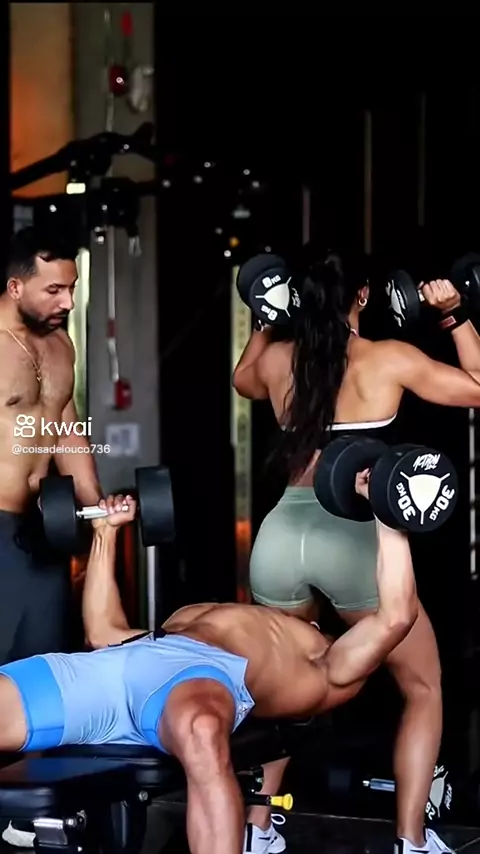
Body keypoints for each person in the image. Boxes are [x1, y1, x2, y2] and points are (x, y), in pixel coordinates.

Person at [0, 476, 416, 854]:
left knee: (201, 730)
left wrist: (387, 510)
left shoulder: (331, 667)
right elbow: (103, 632)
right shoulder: (244, 625)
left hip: (193, 683)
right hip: (120, 665)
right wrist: (106, 532)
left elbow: (397, 616)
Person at [232, 251, 480, 854]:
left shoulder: (277, 360)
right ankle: (411, 840)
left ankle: (257, 829)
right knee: (423, 687)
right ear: (363, 297)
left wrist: (267, 316)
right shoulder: (386, 358)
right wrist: (455, 316)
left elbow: (241, 380)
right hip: (352, 538)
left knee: (282, 690)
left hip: (280, 538)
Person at [0, 227, 103, 846]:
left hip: (40, 532)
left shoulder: (61, 345)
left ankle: (19, 819)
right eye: (55, 290)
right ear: (16, 287)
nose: (67, 301)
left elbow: (64, 423)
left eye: (72, 288)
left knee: (37, 674)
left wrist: (94, 504)